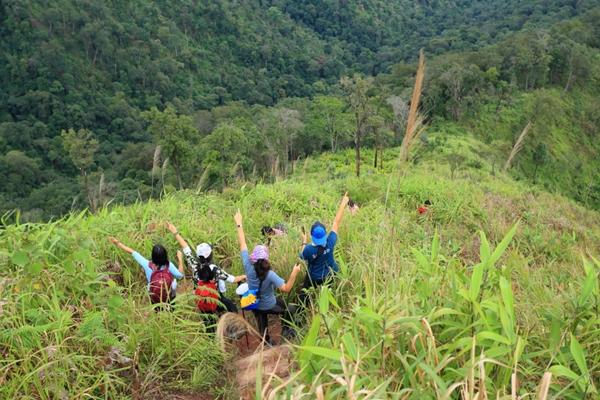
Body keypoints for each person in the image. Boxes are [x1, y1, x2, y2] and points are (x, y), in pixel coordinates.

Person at [234, 209, 301, 345]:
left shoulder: (248, 266)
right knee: (290, 308)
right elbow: (286, 288)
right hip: (270, 304)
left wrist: (239, 223)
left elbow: (243, 243)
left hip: (255, 303)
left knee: (261, 317)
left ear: (253, 258)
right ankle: (287, 330)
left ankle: (266, 341)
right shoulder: (270, 274)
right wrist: (294, 272)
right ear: (266, 260)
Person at [166, 222, 245, 313]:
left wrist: (175, 232)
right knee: (232, 307)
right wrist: (243, 276)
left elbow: (186, 248)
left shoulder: (194, 265)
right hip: (215, 299)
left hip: (200, 299)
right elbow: (233, 279)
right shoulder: (215, 269)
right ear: (210, 255)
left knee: (207, 319)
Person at [299, 192, 349, 303]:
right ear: (325, 233)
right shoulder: (330, 240)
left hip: (315, 278)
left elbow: (301, 257)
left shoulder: (308, 249)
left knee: (304, 293)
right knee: (328, 295)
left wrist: (304, 241)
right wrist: (343, 204)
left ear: (312, 235)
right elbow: (336, 222)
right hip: (330, 276)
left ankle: (303, 306)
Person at [108, 237, 183, 308]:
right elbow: (180, 276)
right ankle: (171, 311)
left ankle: (157, 313)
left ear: (153, 256)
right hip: (169, 296)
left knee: (151, 292)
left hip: (154, 295)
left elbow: (133, 252)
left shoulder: (147, 264)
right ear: (165, 255)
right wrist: (180, 259)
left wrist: (117, 243)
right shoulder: (169, 265)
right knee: (173, 285)